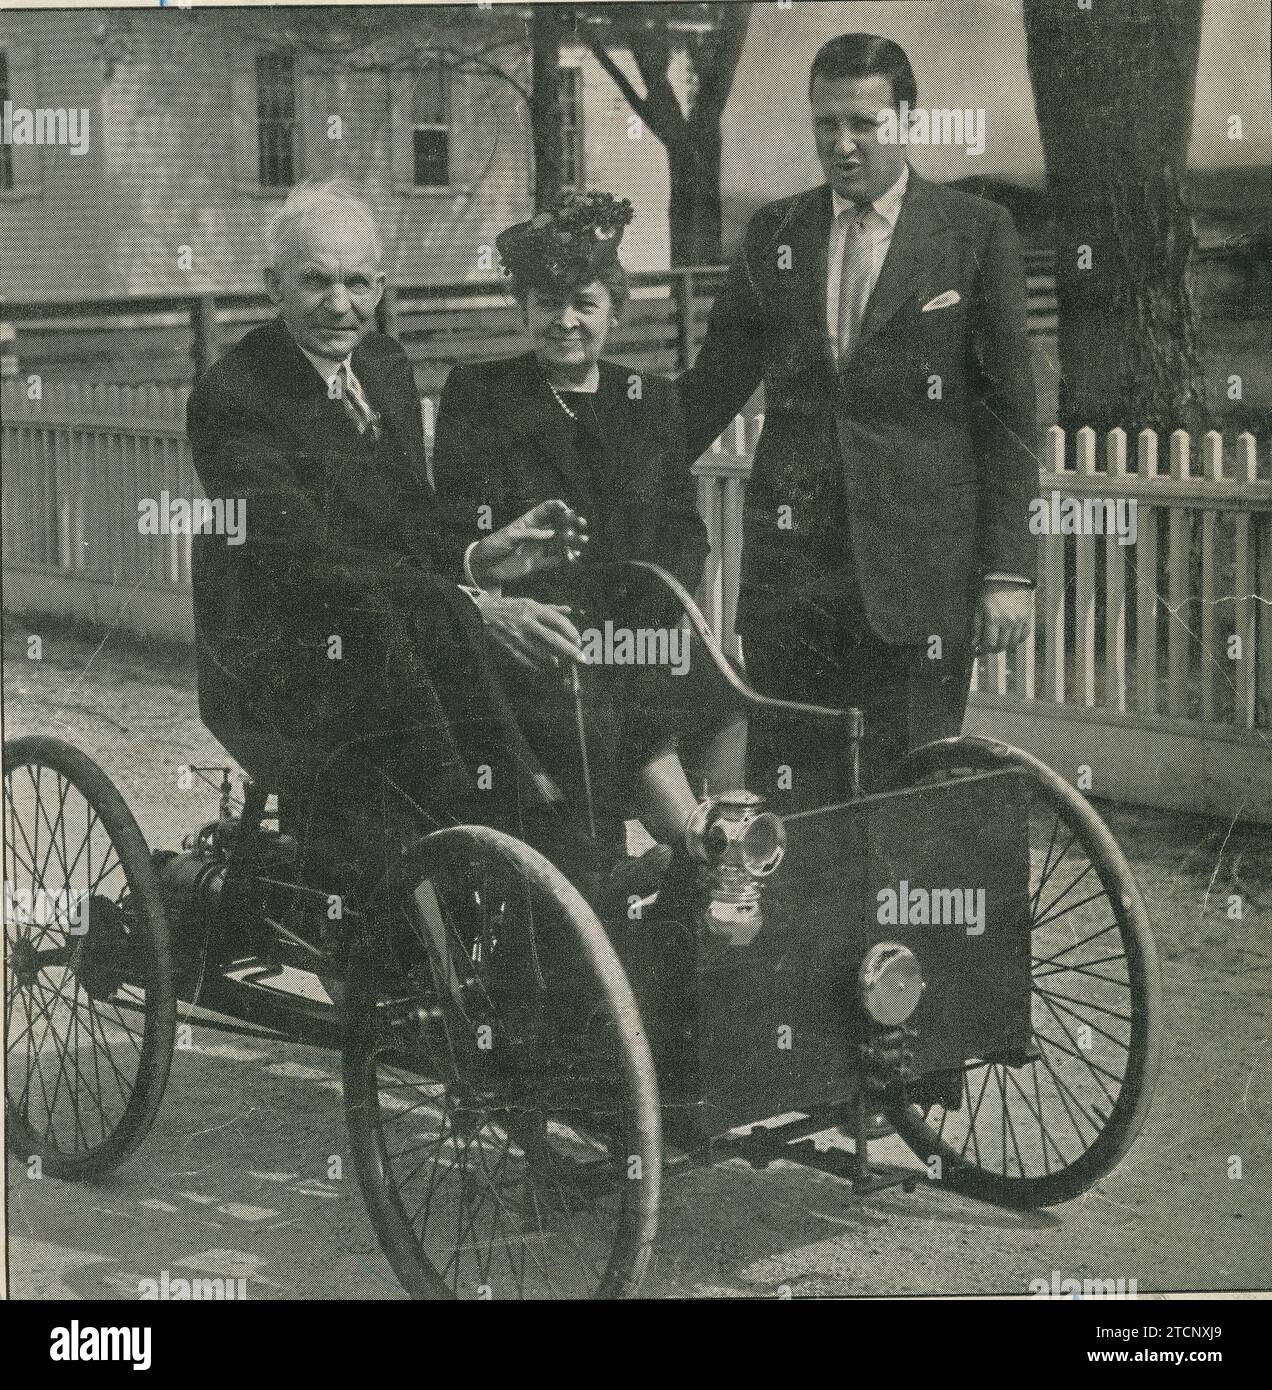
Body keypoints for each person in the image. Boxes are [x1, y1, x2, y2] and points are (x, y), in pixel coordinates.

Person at [187, 179, 649, 908]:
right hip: (283, 660)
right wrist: (472, 609)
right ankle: (532, 862)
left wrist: (479, 558)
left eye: (357, 282)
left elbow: (404, 526)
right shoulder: (235, 397)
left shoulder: (383, 368)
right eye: (314, 282)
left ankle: (555, 863)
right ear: (272, 286)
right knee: (451, 694)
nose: (339, 304)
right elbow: (308, 564)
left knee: (550, 653)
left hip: (396, 625)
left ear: (381, 285)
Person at [678, 33, 1039, 800]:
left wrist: (1008, 571)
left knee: (907, 799)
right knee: (794, 805)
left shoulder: (975, 234)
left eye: (864, 124)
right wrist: (606, 460)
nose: (842, 146)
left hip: (917, 587)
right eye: (825, 125)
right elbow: (710, 390)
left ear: (906, 122)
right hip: (794, 584)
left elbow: (1009, 417)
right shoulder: (774, 235)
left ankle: (899, 928)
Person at [431, 189, 747, 870]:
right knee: (608, 689)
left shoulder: (650, 403)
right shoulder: (480, 397)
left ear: (615, 311)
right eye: (548, 304)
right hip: (529, 633)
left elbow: (682, 533)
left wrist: (657, 614)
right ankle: (700, 845)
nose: (565, 322)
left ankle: (730, 829)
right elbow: (452, 525)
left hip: (637, 622)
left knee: (729, 692)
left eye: (585, 303)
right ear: (523, 310)